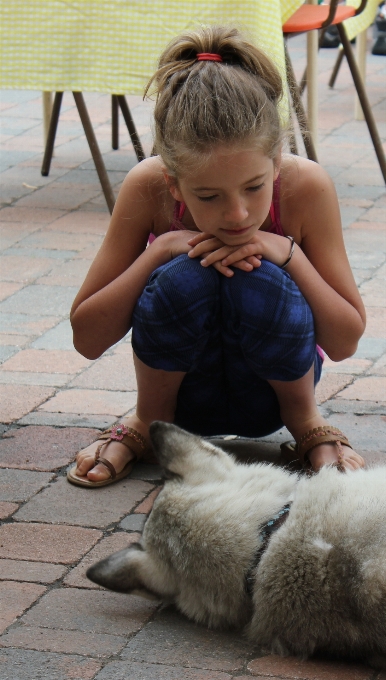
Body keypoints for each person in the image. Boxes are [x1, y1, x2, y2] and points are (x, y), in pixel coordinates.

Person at [67, 26, 366, 488]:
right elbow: (86, 336)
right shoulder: (147, 187)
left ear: (276, 160)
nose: (237, 214)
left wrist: (287, 254)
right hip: (180, 399)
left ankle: (308, 421)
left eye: (254, 187)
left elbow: (346, 341)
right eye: (207, 196)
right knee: (185, 276)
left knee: (261, 277)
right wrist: (161, 251)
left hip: (276, 397)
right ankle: (149, 421)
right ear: (174, 183)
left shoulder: (306, 186)